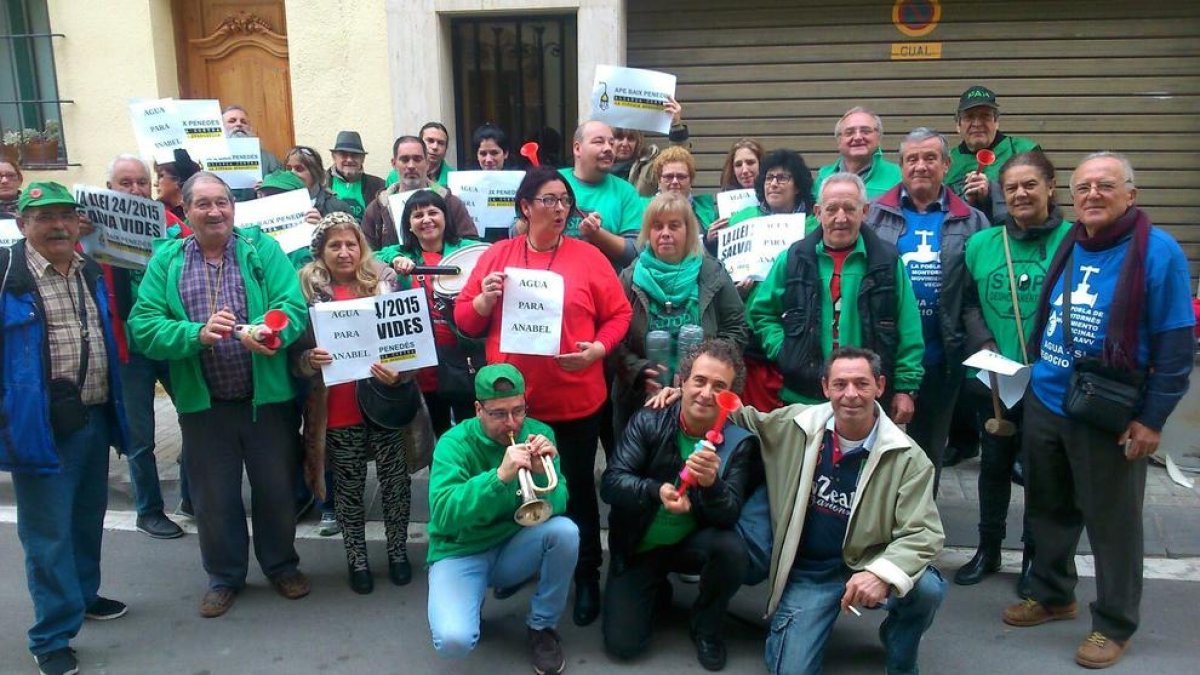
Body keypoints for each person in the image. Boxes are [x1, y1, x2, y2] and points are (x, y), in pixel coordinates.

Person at [1002, 152, 1194, 670]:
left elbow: (1177, 347)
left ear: (1130, 195)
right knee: (1048, 508)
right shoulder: (1074, 240)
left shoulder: (1158, 253)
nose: (1091, 195)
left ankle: (1113, 622)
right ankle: (1052, 594)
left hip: (1108, 411)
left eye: (1105, 186)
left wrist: (1152, 419)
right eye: (1083, 186)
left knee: (1112, 524)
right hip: (1047, 397)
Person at [653, 347, 945, 675]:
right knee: (790, 670)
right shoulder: (796, 424)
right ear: (825, 388)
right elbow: (742, 415)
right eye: (840, 384)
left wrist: (882, 573)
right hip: (812, 573)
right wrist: (685, 394)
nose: (850, 394)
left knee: (927, 588)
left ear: (879, 385)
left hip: (870, 560)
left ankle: (900, 646)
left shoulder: (909, 458)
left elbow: (924, 532)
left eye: (861, 384)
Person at [127, 172, 311, 619]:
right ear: (185, 212)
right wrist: (196, 334)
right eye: (204, 204)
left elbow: (293, 306)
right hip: (203, 405)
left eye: (223, 203)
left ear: (234, 207)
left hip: (265, 400)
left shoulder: (260, 249)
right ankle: (224, 577)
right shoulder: (167, 260)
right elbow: (143, 325)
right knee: (214, 499)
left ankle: (281, 565)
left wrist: (270, 333)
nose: (216, 212)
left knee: (275, 490)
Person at [454, 167, 632, 626]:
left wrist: (598, 349)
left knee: (573, 495)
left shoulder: (589, 257)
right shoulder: (497, 256)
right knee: (515, 489)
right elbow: (466, 322)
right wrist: (483, 303)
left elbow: (619, 314)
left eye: (564, 201)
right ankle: (523, 564)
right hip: (512, 409)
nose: (559, 209)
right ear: (525, 206)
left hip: (574, 402)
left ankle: (587, 575)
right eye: (549, 200)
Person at [1, 182, 132, 675]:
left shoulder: (90, 269)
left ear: (79, 222)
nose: (57, 225)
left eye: (66, 215)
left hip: (92, 416)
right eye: (44, 216)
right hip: (38, 425)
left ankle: (82, 595)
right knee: (47, 533)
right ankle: (51, 634)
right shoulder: (6, 274)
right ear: (22, 223)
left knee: (84, 518)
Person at [601, 339, 763, 671]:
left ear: (732, 398)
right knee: (623, 645)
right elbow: (612, 482)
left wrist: (711, 485)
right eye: (699, 381)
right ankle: (654, 587)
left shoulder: (738, 443)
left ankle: (707, 625)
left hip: (693, 541)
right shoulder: (650, 419)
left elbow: (729, 513)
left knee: (732, 549)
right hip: (640, 544)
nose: (706, 393)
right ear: (681, 382)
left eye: (720, 387)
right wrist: (654, 490)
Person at [956, 151, 1070, 593]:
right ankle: (988, 548)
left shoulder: (1072, 240)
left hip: (1049, 381)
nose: (1021, 194)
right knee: (993, 468)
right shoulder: (983, 243)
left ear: (1050, 187)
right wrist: (984, 344)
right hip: (997, 380)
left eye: (1030, 185)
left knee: (1042, 474)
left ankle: (1033, 557)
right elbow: (967, 302)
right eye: (1012, 188)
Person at [426, 363, 576, 675]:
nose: (512, 423)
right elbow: (443, 514)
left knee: (565, 533)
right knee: (454, 640)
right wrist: (499, 478)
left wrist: (540, 473)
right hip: (461, 550)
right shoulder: (453, 443)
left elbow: (559, 501)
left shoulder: (538, 433)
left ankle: (542, 627)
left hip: (512, 546)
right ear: (478, 409)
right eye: (498, 414)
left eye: (518, 410)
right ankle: (470, 598)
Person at [292, 213, 416, 594]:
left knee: (396, 484)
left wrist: (400, 373)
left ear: (362, 247)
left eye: (351, 244)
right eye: (334, 245)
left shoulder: (384, 284)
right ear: (320, 252)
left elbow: (408, 343)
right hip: (339, 408)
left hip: (385, 402)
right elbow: (293, 354)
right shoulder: (305, 291)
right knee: (348, 488)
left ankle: (398, 552)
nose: (344, 253)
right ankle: (357, 558)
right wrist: (307, 360)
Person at [864, 128, 990, 494]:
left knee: (926, 453)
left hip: (941, 357)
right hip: (883, 357)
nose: (921, 166)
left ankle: (919, 533)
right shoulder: (874, 215)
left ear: (947, 165)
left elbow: (975, 293)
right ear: (900, 166)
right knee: (875, 450)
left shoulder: (972, 221)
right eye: (912, 159)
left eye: (930, 158)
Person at [747, 172, 924, 419]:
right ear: (818, 212)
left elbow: (909, 327)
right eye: (832, 209)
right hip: (803, 395)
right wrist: (785, 350)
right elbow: (761, 312)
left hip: (866, 396)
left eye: (850, 209)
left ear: (865, 212)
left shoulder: (886, 262)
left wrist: (906, 388)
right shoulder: (793, 259)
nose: (841, 218)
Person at [102, 155, 190, 540]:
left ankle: (192, 498)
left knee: (195, 420)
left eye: (141, 182)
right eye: (126, 183)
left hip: (169, 341)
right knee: (140, 438)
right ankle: (148, 510)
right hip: (128, 351)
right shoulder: (89, 231)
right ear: (110, 190)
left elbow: (196, 239)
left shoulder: (167, 223)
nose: (136, 189)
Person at [612, 192, 746, 433]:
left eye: (674, 226)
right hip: (640, 399)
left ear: (689, 231)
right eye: (657, 226)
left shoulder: (712, 273)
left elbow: (736, 329)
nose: (665, 233)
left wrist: (707, 373)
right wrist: (638, 369)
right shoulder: (629, 278)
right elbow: (613, 337)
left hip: (702, 399)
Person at [380, 189, 484, 434]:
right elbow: (371, 256)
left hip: (464, 357)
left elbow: (494, 254)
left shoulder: (468, 250)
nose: (426, 219)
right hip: (425, 363)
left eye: (432, 212)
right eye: (418, 215)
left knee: (470, 429)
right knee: (436, 432)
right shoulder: (403, 254)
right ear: (409, 224)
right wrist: (394, 257)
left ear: (445, 217)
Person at [361, 135, 478, 250]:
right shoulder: (376, 209)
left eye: (417, 159)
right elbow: (367, 256)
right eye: (405, 159)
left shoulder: (451, 203)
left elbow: (471, 247)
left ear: (427, 163)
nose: (411, 166)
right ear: (394, 164)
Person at [945, 86, 1041, 223]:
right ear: (958, 125)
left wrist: (992, 191)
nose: (977, 123)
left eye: (985, 116)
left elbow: (1042, 199)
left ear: (996, 122)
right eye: (969, 117)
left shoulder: (1024, 150)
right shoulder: (947, 162)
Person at [558, 120, 647, 268]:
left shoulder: (626, 192)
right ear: (577, 148)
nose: (608, 148)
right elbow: (516, 231)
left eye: (611, 143)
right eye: (599, 142)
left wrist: (597, 235)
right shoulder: (552, 181)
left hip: (605, 286)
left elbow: (635, 253)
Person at [813, 107, 901, 202]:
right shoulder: (824, 176)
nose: (858, 137)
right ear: (839, 140)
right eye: (849, 132)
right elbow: (813, 215)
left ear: (878, 137)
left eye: (866, 131)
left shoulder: (898, 176)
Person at [610, 96, 687, 196]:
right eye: (619, 138)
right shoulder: (598, 168)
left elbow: (678, 160)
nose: (625, 143)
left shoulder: (649, 167)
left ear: (638, 141)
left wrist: (675, 125)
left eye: (631, 138)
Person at [706, 138, 765, 254]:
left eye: (750, 162)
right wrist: (710, 240)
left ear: (761, 164)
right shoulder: (725, 207)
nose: (744, 170)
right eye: (738, 165)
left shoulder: (776, 198)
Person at [647, 146, 718, 234]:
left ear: (691, 181)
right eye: (669, 176)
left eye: (681, 177)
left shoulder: (708, 212)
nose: (675, 181)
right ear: (659, 181)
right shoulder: (642, 209)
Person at [221, 104, 282, 202]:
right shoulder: (207, 157)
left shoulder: (269, 159)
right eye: (232, 121)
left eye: (243, 122)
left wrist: (268, 187)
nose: (239, 124)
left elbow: (283, 190)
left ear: (250, 128)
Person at [327, 131, 386, 221]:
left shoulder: (379, 186)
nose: (349, 160)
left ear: (362, 159)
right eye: (343, 154)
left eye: (354, 155)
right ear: (334, 157)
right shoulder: (321, 184)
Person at [283, 145, 356, 217]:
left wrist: (322, 225)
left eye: (299, 169)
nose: (291, 173)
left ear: (315, 173)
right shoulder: (278, 203)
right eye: (288, 169)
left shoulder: (338, 208)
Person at [387, 121, 454, 188]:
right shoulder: (394, 176)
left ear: (446, 148)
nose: (435, 147)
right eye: (430, 141)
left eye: (441, 143)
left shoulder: (454, 177)